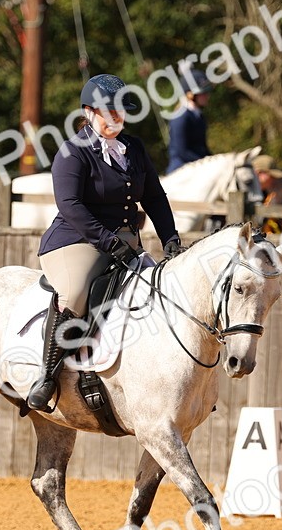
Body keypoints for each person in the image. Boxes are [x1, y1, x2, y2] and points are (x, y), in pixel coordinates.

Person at [27, 73, 183, 411]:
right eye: (108, 112)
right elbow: (70, 206)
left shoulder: (135, 148)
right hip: (75, 241)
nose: (116, 118)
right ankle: (47, 376)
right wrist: (105, 239)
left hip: (125, 244)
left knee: (160, 292)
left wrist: (170, 238)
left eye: (120, 112)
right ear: (88, 112)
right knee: (77, 292)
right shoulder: (73, 152)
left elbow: (154, 197)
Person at [165, 68, 215, 173]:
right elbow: (182, 151)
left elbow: (203, 148)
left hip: (198, 165)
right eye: (203, 93)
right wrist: (206, 162)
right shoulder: (181, 117)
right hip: (181, 167)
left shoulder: (199, 116)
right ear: (190, 95)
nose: (207, 96)